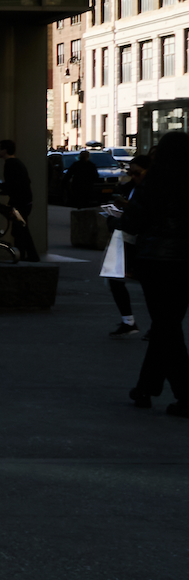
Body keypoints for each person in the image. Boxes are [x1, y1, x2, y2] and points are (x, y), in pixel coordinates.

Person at [118, 132, 189, 413]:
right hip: (185, 263)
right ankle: (145, 387)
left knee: (166, 326)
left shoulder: (155, 182)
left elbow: (132, 222)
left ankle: (184, 394)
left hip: (156, 261)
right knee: (167, 325)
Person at [101, 152, 145, 339]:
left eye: (137, 173)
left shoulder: (148, 189)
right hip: (128, 237)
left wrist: (121, 214)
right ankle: (128, 321)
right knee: (115, 278)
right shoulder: (135, 187)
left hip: (137, 239)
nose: (133, 176)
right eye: (130, 172)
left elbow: (142, 215)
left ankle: (131, 321)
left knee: (125, 279)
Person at [0, 138, 40, 261]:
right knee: (20, 229)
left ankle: (27, 255)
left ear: (5, 150)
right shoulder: (17, 163)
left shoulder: (10, 164)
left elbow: (12, 184)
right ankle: (25, 255)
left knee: (20, 230)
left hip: (20, 202)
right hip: (24, 201)